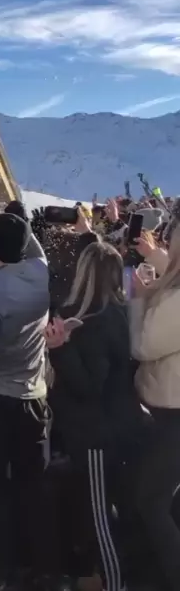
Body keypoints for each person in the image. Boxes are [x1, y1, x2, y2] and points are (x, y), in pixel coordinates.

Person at [0, 212, 69, 591]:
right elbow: (30, 244)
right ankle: (45, 569)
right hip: (35, 398)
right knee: (35, 488)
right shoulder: (40, 271)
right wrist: (7, 222)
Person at [45, 240, 146, 591]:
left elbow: (89, 386)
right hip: (121, 426)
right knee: (116, 512)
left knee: (100, 519)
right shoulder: (120, 314)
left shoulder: (89, 322)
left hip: (95, 435)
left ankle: (115, 583)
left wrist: (59, 349)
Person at [128, 224, 180, 591]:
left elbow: (143, 346)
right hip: (168, 409)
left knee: (151, 501)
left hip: (172, 413)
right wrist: (155, 258)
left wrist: (137, 301)